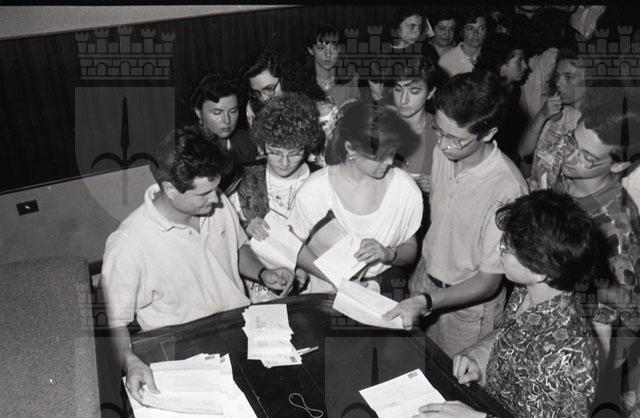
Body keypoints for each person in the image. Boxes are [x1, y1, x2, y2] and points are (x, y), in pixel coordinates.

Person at [101, 126, 295, 403]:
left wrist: (263, 273)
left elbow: (237, 247)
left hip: (240, 329)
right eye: (204, 193)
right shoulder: (128, 244)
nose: (216, 199)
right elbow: (114, 321)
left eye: (216, 189)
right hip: (185, 351)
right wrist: (130, 361)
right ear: (170, 189)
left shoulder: (215, 201)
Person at [414, 190, 601, 418]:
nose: (498, 251)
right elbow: (509, 338)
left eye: (506, 248)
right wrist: (479, 361)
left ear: (540, 269)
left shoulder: (573, 355)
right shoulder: (526, 291)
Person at [384, 70, 529, 357]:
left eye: (455, 138)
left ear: (488, 133)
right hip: (425, 279)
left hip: (468, 309)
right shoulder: (446, 151)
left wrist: (427, 301)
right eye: (438, 131)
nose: (442, 144)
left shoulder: (508, 190)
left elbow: (488, 282)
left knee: (451, 378)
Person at [288, 103, 422, 294]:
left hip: (382, 289)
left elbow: (410, 248)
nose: (390, 161)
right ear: (351, 148)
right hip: (326, 289)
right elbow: (293, 246)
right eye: (380, 156)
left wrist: (389, 254)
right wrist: (336, 279)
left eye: (392, 152)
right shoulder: (315, 190)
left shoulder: (404, 189)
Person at [558, 100, 640, 413]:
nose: (570, 157)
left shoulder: (615, 228)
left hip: (583, 353)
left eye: (588, 157)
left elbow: (630, 314)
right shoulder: (572, 178)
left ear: (618, 165)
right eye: (572, 143)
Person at [229, 93, 324, 301]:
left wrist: (303, 268)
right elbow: (226, 240)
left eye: (294, 153)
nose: (284, 162)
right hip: (260, 284)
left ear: (307, 147)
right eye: (275, 152)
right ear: (263, 145)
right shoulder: (245, 179)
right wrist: (245, 229)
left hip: (314, 285)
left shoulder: (321, 180)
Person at [518, 48, 586, 191]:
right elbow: (523, 152)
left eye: (568, 77)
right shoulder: (557, 111)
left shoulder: (594, 124)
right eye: (557, 76)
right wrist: (541, 116)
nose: (559, 83)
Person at [392, 55, 446, 194]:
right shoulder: (379, 125)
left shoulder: (443, 131)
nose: (403, 100)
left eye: (414, 91)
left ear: (430, 93)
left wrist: (440, 184)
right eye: (398, 89)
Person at [475, 33, 530, 162]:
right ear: (502, 68)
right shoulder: (485, 98)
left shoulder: (513, 89)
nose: (526, 66)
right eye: (519, 61)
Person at [240, 47, 324, 127]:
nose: (264, 98)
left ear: (286, 80)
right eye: (257, 92)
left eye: (269, 89)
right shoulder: (253, 109)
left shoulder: (316, 110)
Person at [189, 70, 258, 165]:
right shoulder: (187, 150)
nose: (227, 120)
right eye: (217, 113)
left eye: (233, 111)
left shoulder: (248, 141)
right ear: (198, 112)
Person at [305, 22, 360, 109]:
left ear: (339, 49)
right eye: (321, 48)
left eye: (333, 48)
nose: (328, 54)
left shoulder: (350, 79)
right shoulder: (301, 83)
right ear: (311, 50)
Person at [438, 8, 487, 77]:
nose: (475, 33)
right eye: (470, 28)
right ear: (462, 31)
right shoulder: (445, 62)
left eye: (481, 28)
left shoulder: (493, 58)